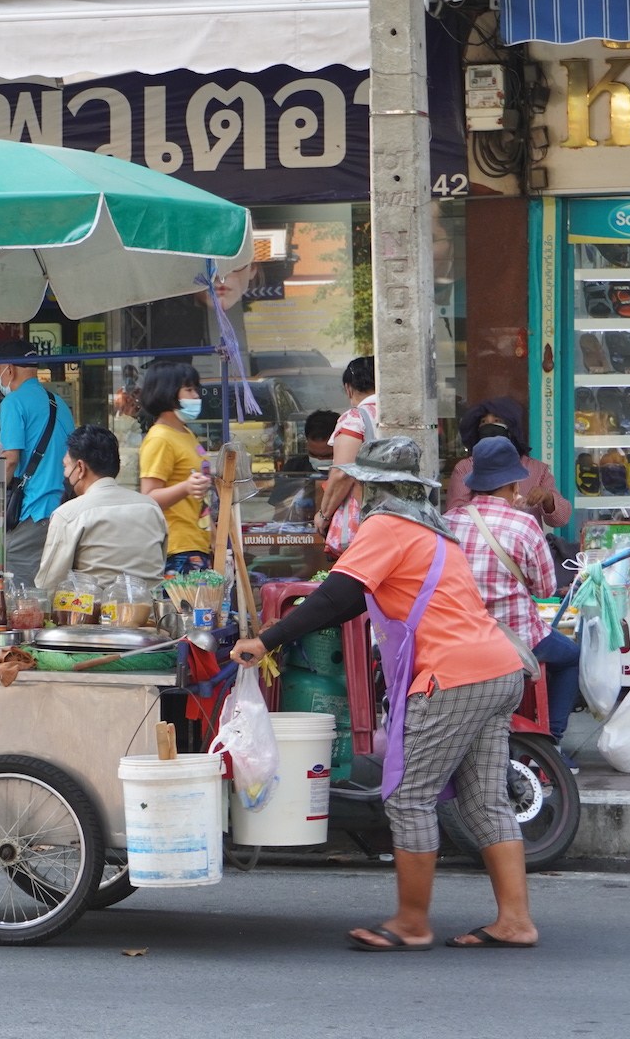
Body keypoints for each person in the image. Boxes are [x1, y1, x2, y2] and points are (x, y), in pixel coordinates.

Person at [231, 437, 538, 952]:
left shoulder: (386, 526)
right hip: (498, 669)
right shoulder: (433, 532)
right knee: (485, 800)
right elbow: (353, 600)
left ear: (372, 488)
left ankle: (412, 922)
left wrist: (266, 640)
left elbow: (338, 595)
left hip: (453, 677)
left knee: (409, 797)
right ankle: (515, 921)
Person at [445, 436, 581, 760]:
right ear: (512, 484)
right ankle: (551, 743)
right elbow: (545, 590)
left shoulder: (448, 523)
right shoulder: (524, 525)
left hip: (460, 638)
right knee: (572, 657)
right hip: (516, 639)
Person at [34, 425, 167, 591]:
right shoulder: (151, 507)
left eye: (65, 466)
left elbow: (49, 584)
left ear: (80, 468)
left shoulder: (68, 515)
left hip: (94, 607)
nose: (65, 474)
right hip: (150, 606)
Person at [0, 350, 75, 587]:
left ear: (9, 370)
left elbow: (10, 459)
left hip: (32, 511)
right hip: (62, 509)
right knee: (52, 586)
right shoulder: (58, 402)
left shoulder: (13, 402)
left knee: (19, 588)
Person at [445, 397, 571, 528]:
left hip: (525, 538)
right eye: (483, 422)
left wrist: (548, 498)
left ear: (511, 429)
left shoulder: (538, 469)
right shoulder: (465, 468)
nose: (489, 426)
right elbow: (454, 515)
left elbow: (562, 519)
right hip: (480, 537)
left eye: (497, 421)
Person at [138, 360, 213, 577]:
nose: (196, 396)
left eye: (195, 389)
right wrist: (186, 487)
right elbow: (149, 497)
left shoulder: (185, 433)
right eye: (189, 389)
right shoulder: (160, 438)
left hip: (197, 542)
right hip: (177, 547)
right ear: (168, 393)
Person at [315, 356, 377, 553]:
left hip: (365, 520)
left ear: (348, 388)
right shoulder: (397, 415)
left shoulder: (355, 418)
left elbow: (343, 473)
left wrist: (323, 515)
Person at [269, 409, 341, 518]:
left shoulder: (351, 470)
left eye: (327, 456)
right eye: (313, 454)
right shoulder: (294, 468)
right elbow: (279, 514)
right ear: (307, 444)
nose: (319, 460)